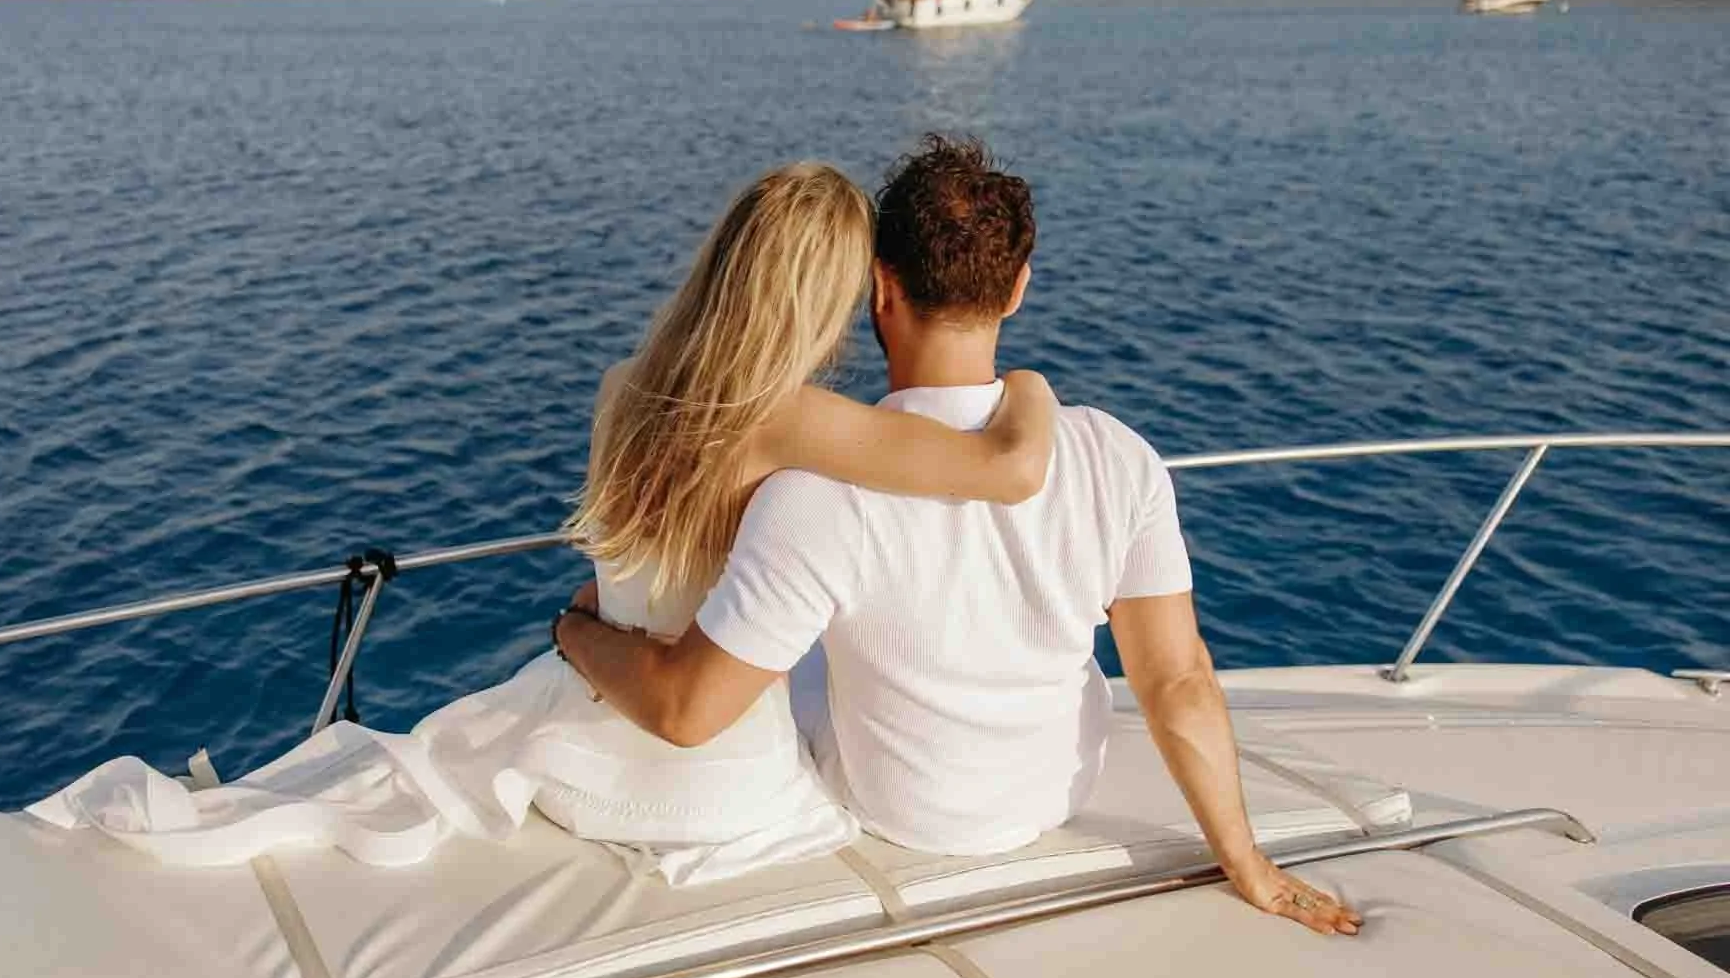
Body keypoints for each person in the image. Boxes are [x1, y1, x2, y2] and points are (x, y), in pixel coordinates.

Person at [30, 161, 1060, 885]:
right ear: (828, 294)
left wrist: (577, 628)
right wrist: (1028, 380)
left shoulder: (625, 391)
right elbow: (1008, 467)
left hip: (588, 760)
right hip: (709, 797)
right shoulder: (792, 421)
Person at [555, 136, 1364, 934]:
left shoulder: (811, 495)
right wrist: (1247, 861)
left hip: (899, 813)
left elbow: (692, 707)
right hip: (1055, 796)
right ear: (1017, 288)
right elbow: (1179, 680)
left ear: (880, 287)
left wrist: (574, 627)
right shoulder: (1119, 457)